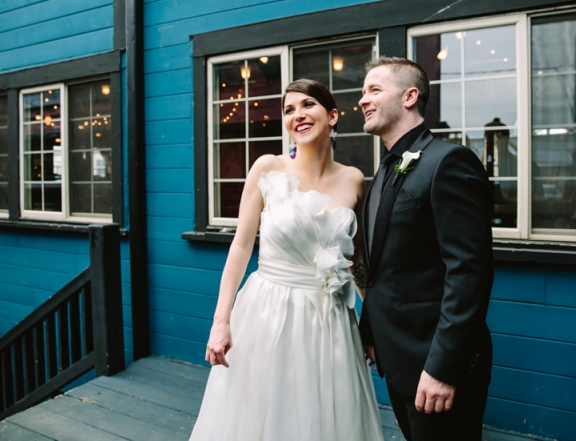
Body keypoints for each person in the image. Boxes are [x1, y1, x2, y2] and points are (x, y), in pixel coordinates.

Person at [190, 79, 383, 441]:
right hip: (270, 313)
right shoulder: (268, 167)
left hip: (332, 320)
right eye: (289, 110)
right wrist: (221, 322)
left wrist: (373, 325)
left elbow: (356, 262)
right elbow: (241, 247)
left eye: (307, 104)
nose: (297, 115)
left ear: (333, 115)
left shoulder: (354, 180)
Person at [358, 57, 494, 441]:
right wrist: (370, 331)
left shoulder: (449, 162)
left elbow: (468, 274)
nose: (363, 100)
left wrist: (443, 369)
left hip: (436, 367)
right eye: (363, 92)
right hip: (396, 358)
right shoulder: (384, 170)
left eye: (374, 90)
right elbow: (383, 265)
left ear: (410, 96)